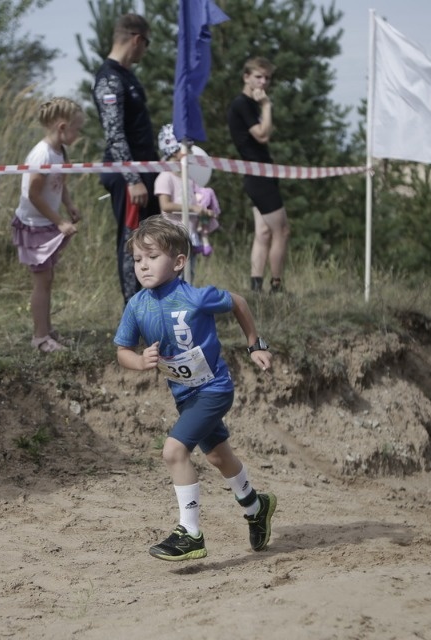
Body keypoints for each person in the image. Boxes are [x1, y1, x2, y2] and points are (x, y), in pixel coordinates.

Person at [114, 216, 276, 561]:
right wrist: (139, 360)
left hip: (214, 389)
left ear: (178, 262)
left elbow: (239, 303)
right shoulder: (136, 305)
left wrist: (255, 345)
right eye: (137, 260)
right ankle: (255, 506)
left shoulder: (197, 298)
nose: (143, 266)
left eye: (152, 257)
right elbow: (122, 352)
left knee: (174, 451)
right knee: (218, 456)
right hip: (185, 395)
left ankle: (190, 533)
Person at [92, 13, 160, 306]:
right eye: (147, 43)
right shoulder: (109, 78)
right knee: (133, 244)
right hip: (128, 175)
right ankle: (135, 310)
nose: (146, 50)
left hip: (146, 170)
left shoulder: (127, 74)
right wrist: (132, 179)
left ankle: (154, 304)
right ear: (137, 39)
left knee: (153, 241)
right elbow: (114, 134)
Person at [11, 98, 84, 353]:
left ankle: (47, 330)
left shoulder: (60, 151)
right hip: (34, 224)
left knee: (48, 278)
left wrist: (69, 204)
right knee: (41, 281)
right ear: (62, 127)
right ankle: (40, 338)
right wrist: (60, 221)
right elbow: (34, 194)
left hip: (46, 221)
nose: (79, 134)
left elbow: (59, 183)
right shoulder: (41, 154)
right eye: (77, 128)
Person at [227, 57, 290, 294]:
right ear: (246, 77)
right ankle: (276, 286)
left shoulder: (251, 103)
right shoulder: (243, 104)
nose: (263, 82)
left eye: (267, 78)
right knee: (281, 231)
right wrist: (267, 107)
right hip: (257, 175)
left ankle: (255, 286)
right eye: (258, 77)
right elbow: (262, 136)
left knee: (263, 232)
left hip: (263, 171)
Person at [153, 123, 220, 284]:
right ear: (175, 151)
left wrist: (204, 211)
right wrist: (192, 208)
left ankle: (185, 305)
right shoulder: (165, 177)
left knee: (189, 273)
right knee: (175, 275)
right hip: (174, 236)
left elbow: (197, 202)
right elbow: (165, 205)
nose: (191, 152)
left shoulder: (188, 180)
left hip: (190, 235)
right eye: (187, 149)